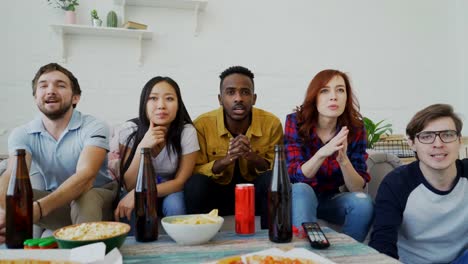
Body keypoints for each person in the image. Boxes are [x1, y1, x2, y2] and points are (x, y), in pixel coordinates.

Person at [0, 63, 117, 238]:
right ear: (35, 97)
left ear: (75, 98)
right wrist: (7, 211)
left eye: (60, 85)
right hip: (57, 204)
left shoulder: (94, 126)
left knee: (84, 198)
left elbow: (86, 178)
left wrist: (39, 209)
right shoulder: (22, 134)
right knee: (12, 196)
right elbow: (12, 177)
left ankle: (87, 255)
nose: (51, 90)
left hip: (99, 199)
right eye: (43, 85)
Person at [184, 66, 283, 228]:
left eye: (245, 92)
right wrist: (226, 160)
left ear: (254, 98)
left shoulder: (271, 124)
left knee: (273, 179)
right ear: (220, 99)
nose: (238, 98)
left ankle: (270, 238)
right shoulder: (202, 125)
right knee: (196, 183)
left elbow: (278, 168)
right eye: (230, 92)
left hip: (255, 197)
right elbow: (194, 169)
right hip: (218, 197)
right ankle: (199, 238)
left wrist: (252, 156)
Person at [369, 104, 468, 264]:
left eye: (448, 135)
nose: (438, 144)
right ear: (412, 143)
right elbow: (382, 243)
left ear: (458, 140)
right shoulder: (396, 183)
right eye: (427, 136)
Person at [284, 69, 373, 242]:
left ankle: (345, 256)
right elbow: (295, 175)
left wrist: (343, 160)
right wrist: (322, 153)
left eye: (340, 90)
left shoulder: (355, 128)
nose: (334, 97)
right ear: (314, 96)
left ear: (347, 97)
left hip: (331, 198)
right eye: (325, 91)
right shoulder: (295, 122)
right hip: (301, 196)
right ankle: (305, 256)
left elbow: (356, 187)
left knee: (363, 202)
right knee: (301, 189)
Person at [111, 77, 199, 227]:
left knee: (175, 205)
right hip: (136, 189)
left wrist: (143, 193)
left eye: (169, 99)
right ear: (144, 103)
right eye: (153, 98)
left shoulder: (186, 132)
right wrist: (143, 147)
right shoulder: (129, 130)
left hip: (168, 189)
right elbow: (129, 185)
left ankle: (178, 249)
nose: (161, 106)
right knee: (131, 208)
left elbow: (180, 182)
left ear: (179, 105)